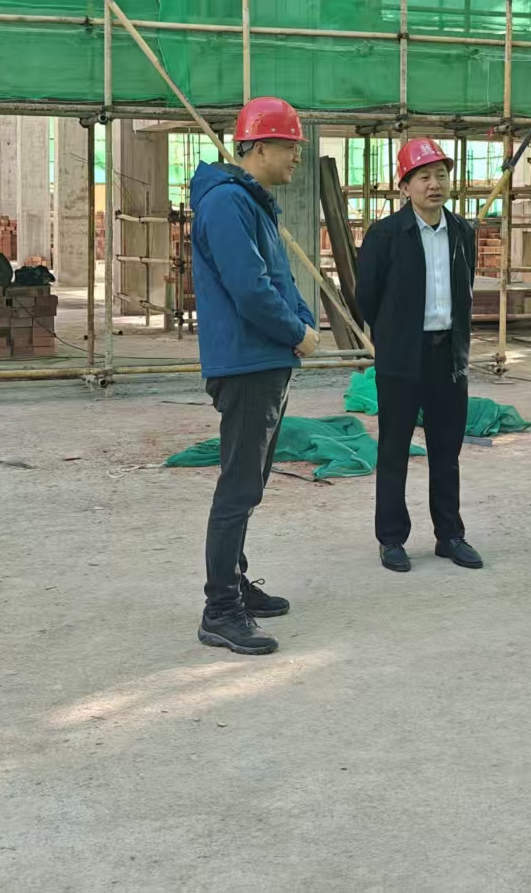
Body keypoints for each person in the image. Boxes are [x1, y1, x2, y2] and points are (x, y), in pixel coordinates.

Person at [188, 96, 321, 656]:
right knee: (238, 486)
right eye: (290, 147)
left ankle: (234, 582)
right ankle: (220, 610)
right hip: (246, 363)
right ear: (260, 147)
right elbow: (250, 289)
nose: (297, 157)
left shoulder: (251, 204)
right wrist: (295, 332)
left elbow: (278, 279)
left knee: (251, 483)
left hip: (263, 360)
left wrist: (304, 321)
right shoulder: (226, 203)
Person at [354, 137, 482, 573]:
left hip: (449, 356)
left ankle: (450, 535)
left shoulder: (462, 232)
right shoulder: (386, 235)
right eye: (423, 176)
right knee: (394, 449)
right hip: (401, 358)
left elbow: (465, 289)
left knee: (447, 451)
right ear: (405, 186)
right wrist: (394, 336)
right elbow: (366, 297)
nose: (434, 184)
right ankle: (391, 539)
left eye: (440, 175)